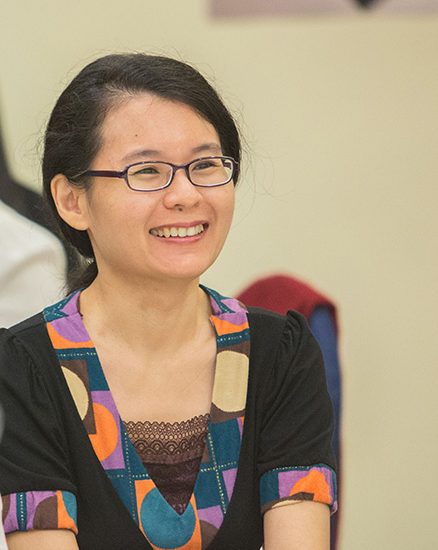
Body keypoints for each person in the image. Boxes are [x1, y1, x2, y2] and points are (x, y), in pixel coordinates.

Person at [0, 54, 337, 550]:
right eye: (147, 171)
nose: (185, 195)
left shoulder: (280, 354)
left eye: (206, 165)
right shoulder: (24, 369)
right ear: (73, 200)